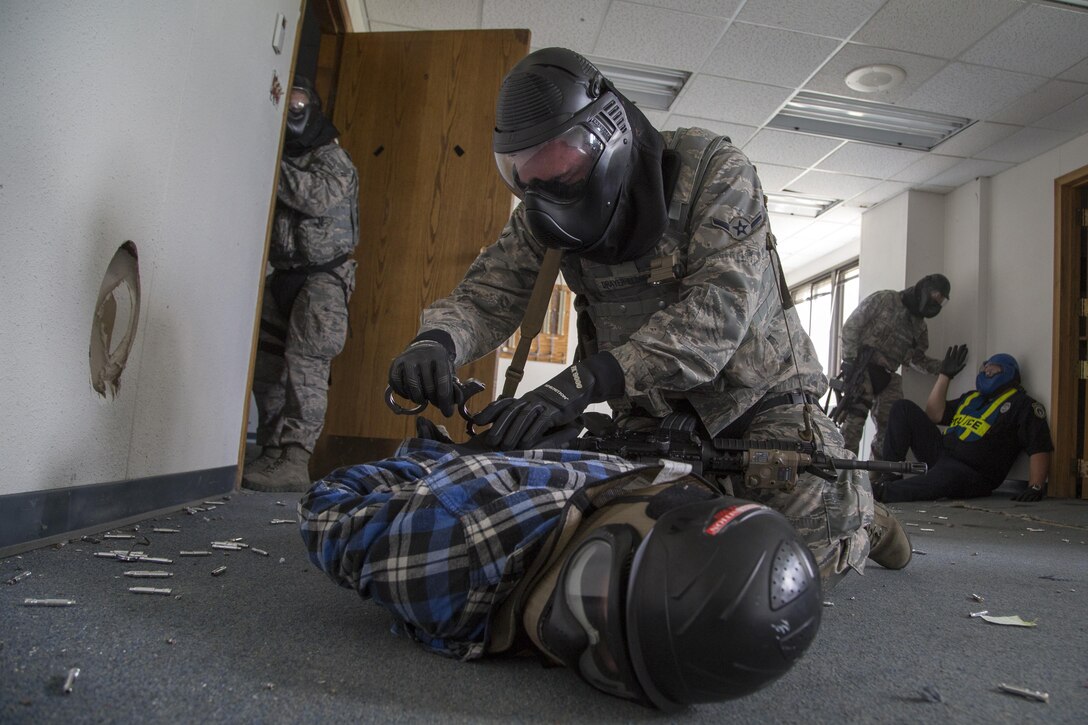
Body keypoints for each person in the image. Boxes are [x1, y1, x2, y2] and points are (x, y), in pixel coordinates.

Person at [385, 47, 910, 587]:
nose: (540, 191)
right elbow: (487, 294)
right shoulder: (542, 210)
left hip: (761, 409)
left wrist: (580, 382)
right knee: (632, 562)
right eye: (523, 174)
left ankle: (865, 521)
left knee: (785, 575)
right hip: (647, 420)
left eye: (555, 163)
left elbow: (717, 317)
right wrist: (437, 341)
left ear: (606, 134)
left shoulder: (713, 171)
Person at [299, 433, 824, 709]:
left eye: (608, 669)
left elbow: (327, 504)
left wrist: (426, 467)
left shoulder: (443, 550)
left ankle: (864, 526)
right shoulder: (448, 538)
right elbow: (325, 507)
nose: (567, 641)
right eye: (594, 590)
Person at [243, 76, 359, 493]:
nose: (294, 112)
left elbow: (313, 198)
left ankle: (295, 459)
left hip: (322, 280)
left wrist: (270, 162)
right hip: (284, 275)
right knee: (267, 367)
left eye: (300, 104)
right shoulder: (288, 161)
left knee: (306, 369)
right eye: (286, 105)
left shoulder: (333, 160)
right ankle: (272, 452)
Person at [874, 351, 1053, 503]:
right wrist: (945, 376)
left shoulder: (1022, 405)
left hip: (972, 472)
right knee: (902, 408)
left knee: (944, 478)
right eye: (985, 367)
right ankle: (890, 475)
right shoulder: (972, 398)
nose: (987, 370)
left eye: (994, 368)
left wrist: (1036, 486)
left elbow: (1039, 445)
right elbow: (934, 414)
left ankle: (879, 493)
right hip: (941, 454)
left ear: (1009, 373)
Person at [835, 274, 966, 460]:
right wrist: (848, 360)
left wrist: (943, 367)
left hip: (888, 376)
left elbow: (916, 360)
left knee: (891, 429)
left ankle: (877, 480)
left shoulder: (920, 327)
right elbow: (851, 327)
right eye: (935, 296)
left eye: (941, 301)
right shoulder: (885, 299)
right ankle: (842, 476)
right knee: (853, 423)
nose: (936, 303)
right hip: (862, 367)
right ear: (924, 290)